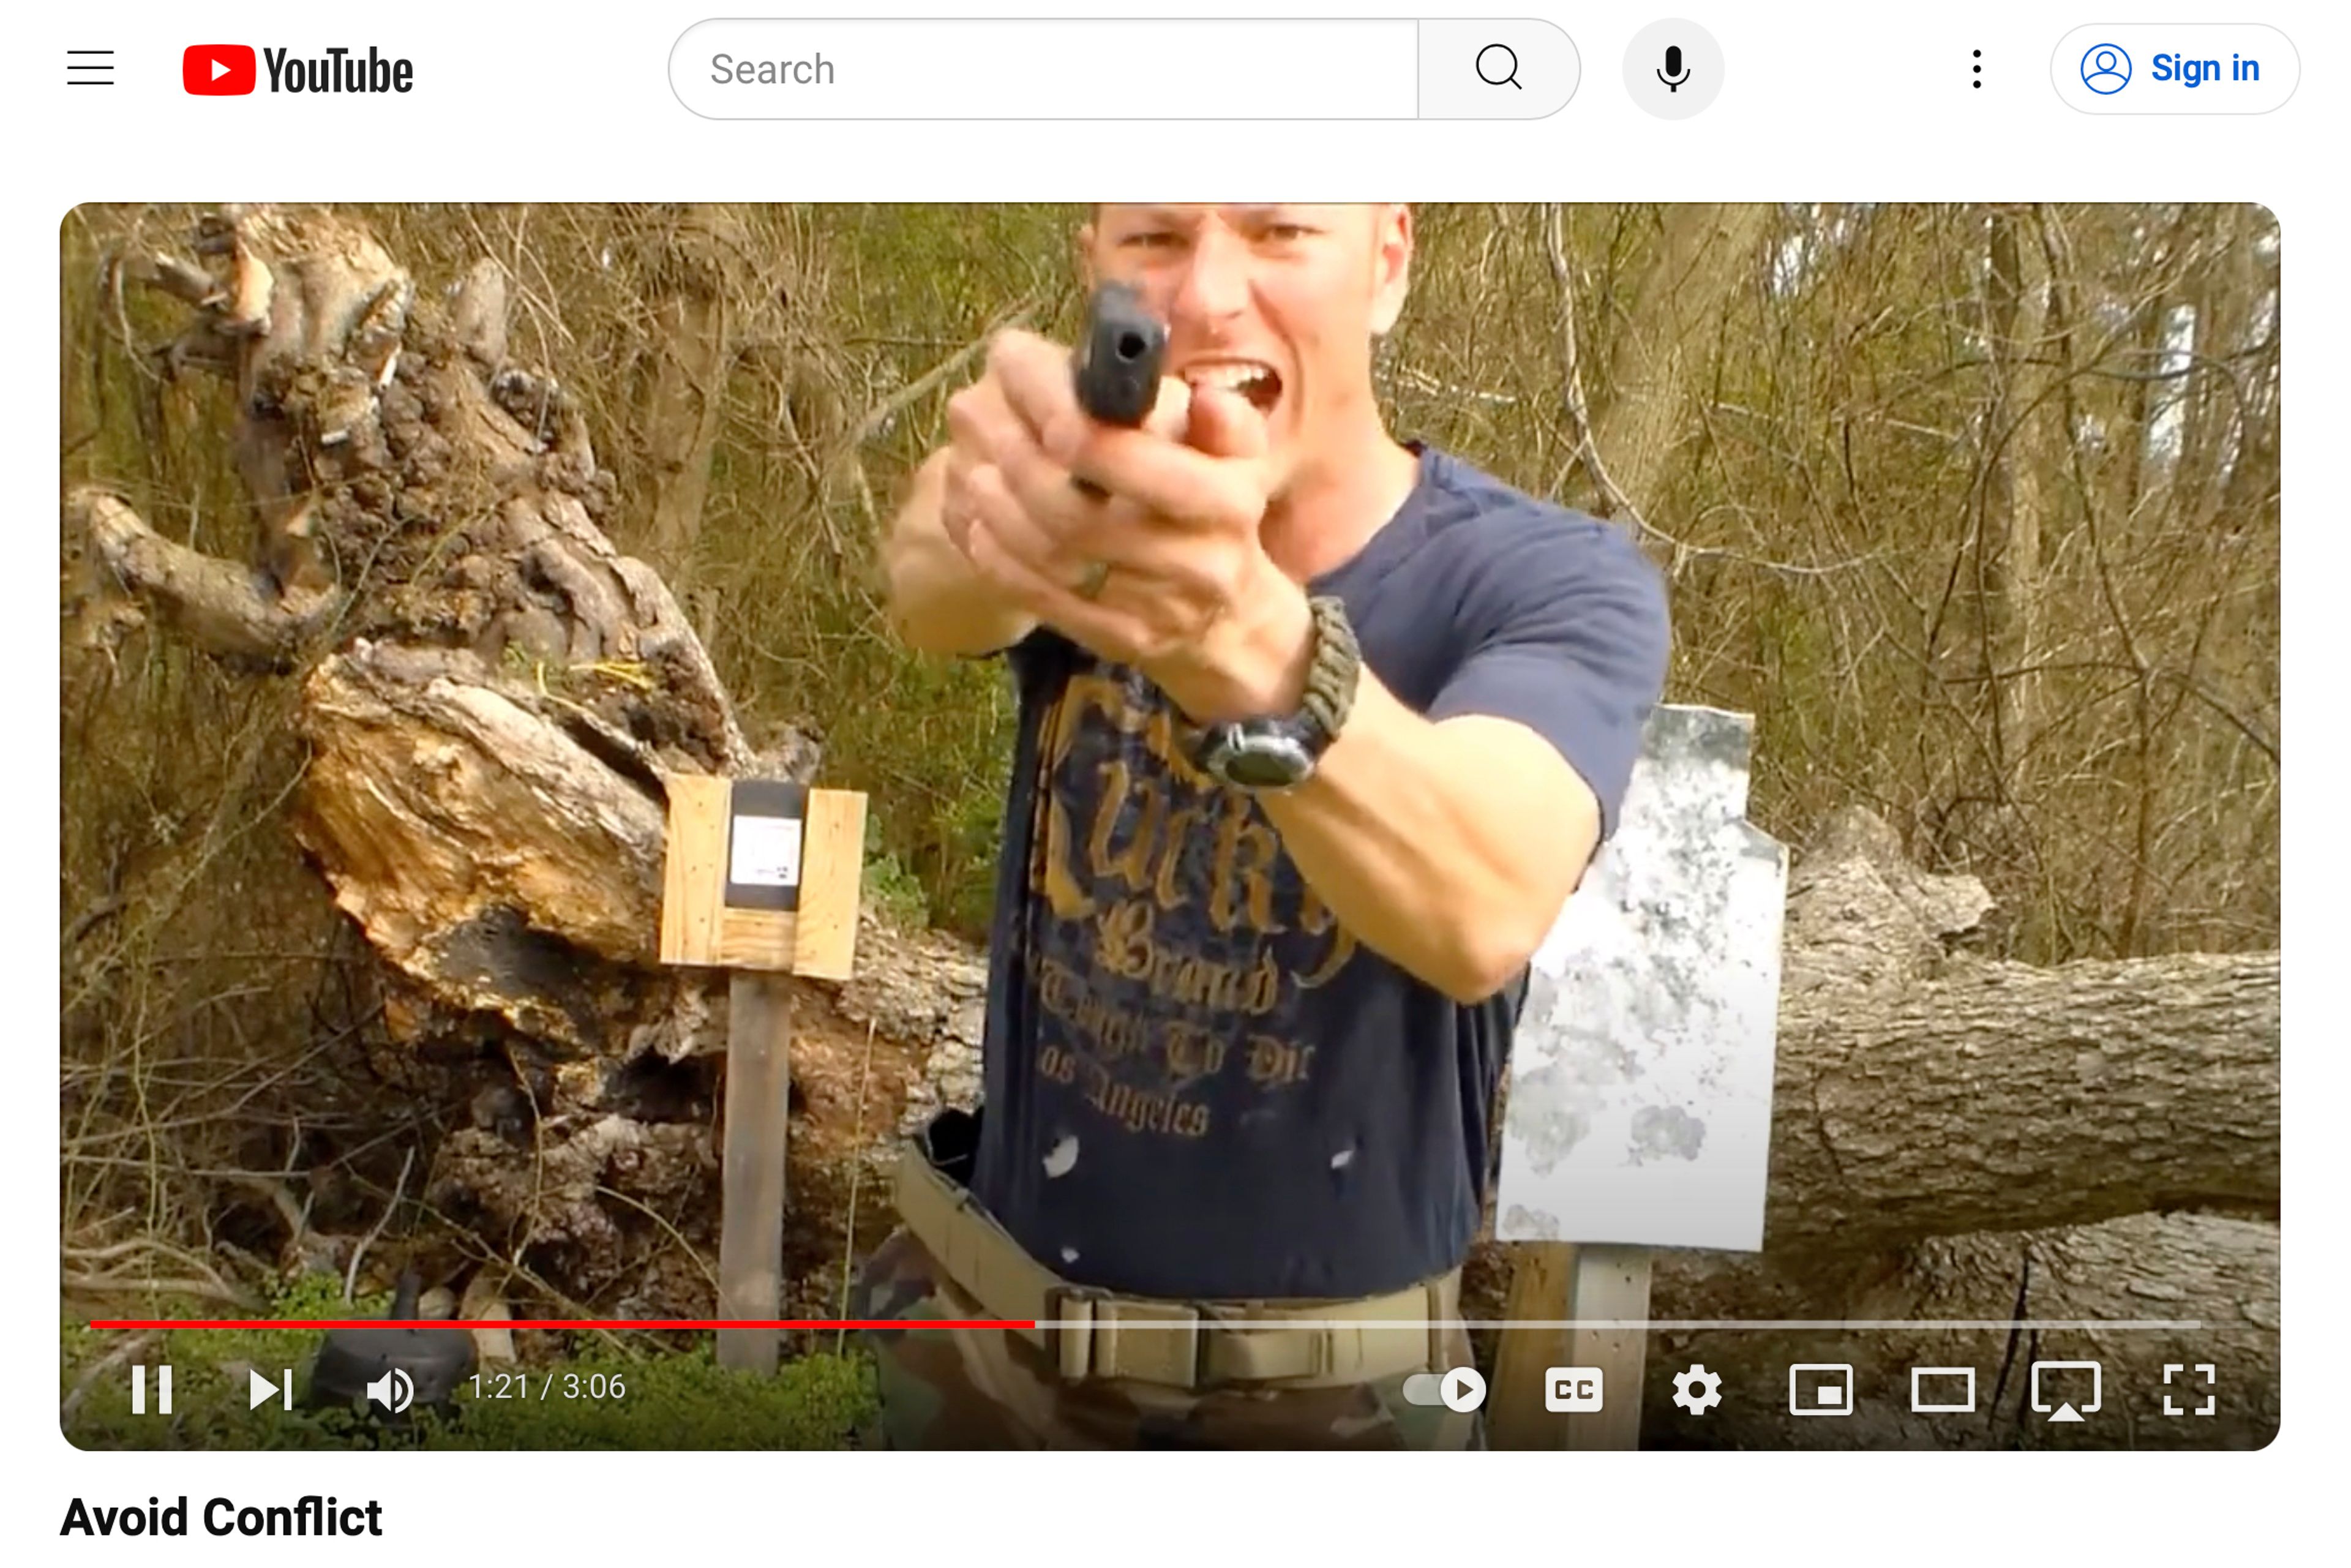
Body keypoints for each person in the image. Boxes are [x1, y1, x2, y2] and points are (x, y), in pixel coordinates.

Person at [854, 203, 1670, 1449]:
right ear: (1095, 264)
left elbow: (1483, 900)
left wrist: (1232, 627)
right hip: (978, 1360)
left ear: (1386, 265)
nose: (1209, 294)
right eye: (1157, 240)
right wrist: (1011, 517)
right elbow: (925, 593)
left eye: (1283, 231)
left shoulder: (1549, 580)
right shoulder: (1084, 509)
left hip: (1326, 1417)